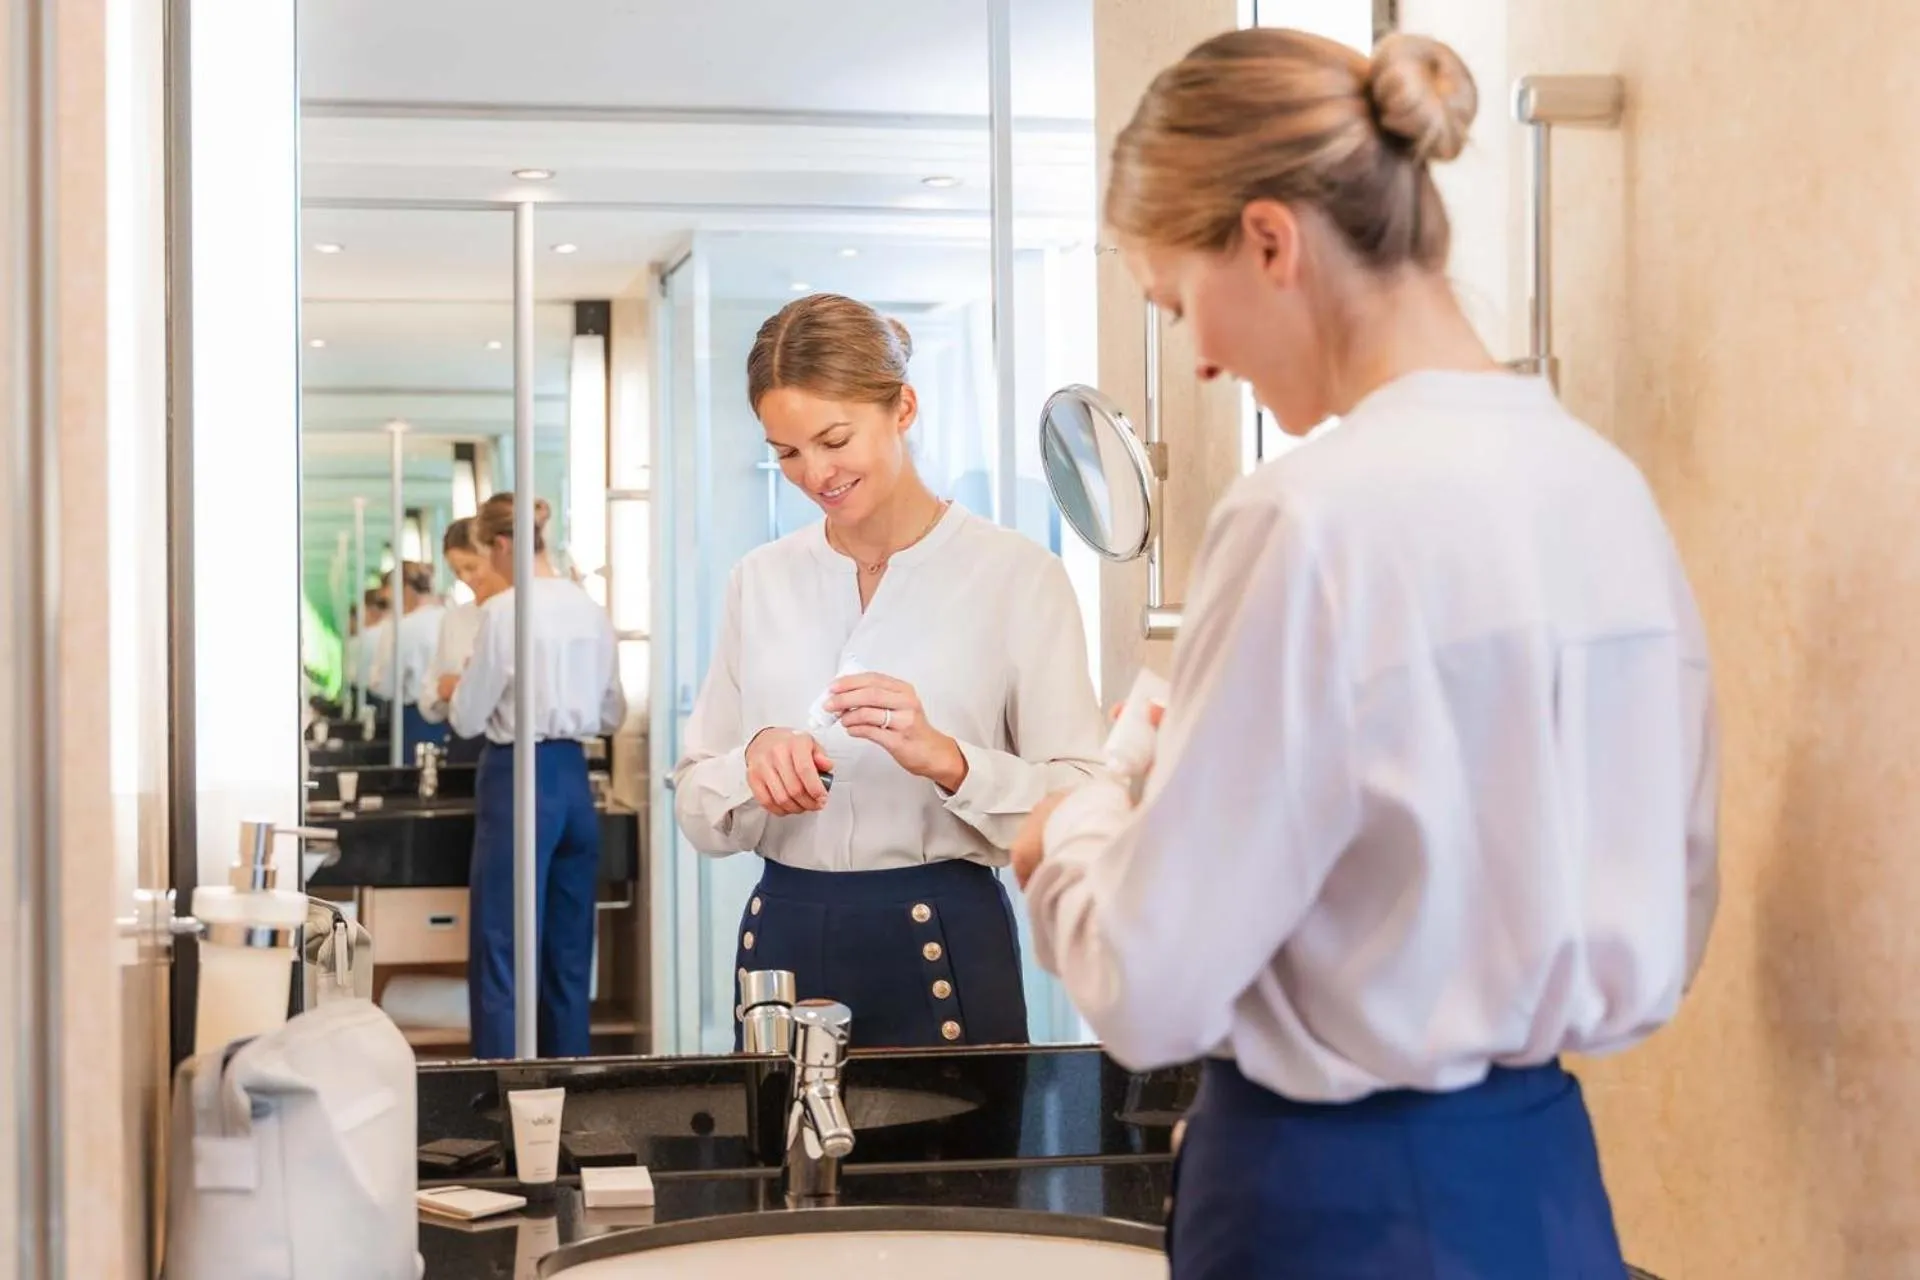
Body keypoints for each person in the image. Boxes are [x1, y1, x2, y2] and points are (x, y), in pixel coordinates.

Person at [1011, 29, 1720, 1280]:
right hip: (1550, 1195)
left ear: (1272, 241)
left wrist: (1072, 832)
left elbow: (1148, 985)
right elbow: (1671, 889)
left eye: (1179, 303)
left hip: (1330, 1210)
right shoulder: (1609, 493)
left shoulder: (1311, 517)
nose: (1200, 355)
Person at [673, 292, 1106, 1050]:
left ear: (903, 407)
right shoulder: (760, 578)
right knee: (776, 1169)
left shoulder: (1015, 575)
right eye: (787, 453)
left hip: (946, 945)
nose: (815, 474)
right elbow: (697, 804)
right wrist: (753, 762)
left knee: (961, 1170)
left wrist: (950, 760)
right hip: (780, 948)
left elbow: (1084, 807)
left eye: (834, 439)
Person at [448, 493, 624, 1059]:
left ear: (502, 544)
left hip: (517, 775)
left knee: (502, 944)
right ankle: (566, 1089)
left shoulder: (504, 611)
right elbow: (612, 713)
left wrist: (462, 689)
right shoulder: (590, 608)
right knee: (570, 952)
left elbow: (469, 716)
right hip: (575, 779)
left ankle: (498, 1093)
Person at [419, 517, 509, 764]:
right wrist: (442, 689)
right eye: (457, 572)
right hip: (466, 745)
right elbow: (428, 696)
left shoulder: (520, 615)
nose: (466, 578)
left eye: (471, 567)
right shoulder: (456, 619)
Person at [368, 560, 448, 758]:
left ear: (405, 589)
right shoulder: (450, 617)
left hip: (416, 719)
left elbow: (385, 685)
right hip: (453, 717)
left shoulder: (402, 628)